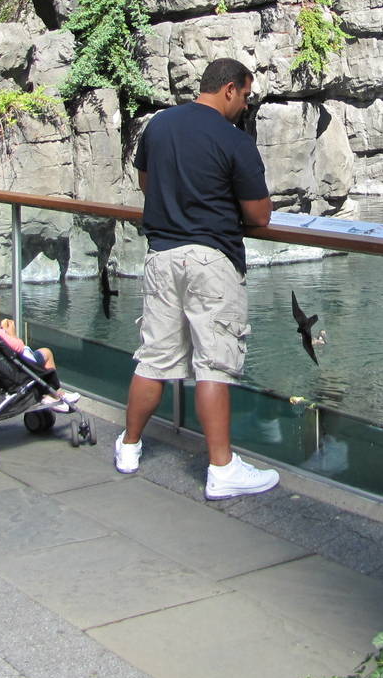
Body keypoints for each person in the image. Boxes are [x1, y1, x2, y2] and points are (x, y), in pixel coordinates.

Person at [115, 57, 280, 499]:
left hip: (162, 255)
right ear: (229, 89)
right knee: (215, 365)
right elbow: (260, 215)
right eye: (245, 96)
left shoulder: (159, 125)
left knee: (155, 358)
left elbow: (147, 184)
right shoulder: (233, 140)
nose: (245, 105)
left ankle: (129, 447)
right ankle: (222, 469)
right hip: (212, 260)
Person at [0, 282, 80, 413]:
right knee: (46, 353)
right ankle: (54, 393)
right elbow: (19, 347)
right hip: (18, 370)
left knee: (41, 353)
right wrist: (11, 334)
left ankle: (53, 394)